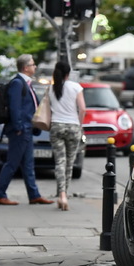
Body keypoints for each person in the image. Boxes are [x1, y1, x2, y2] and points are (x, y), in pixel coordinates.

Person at [0, 54, 54, 206]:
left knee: (28, 164)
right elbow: (15, 107)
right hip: (20, 131)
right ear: (25, 67)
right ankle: (0, 195)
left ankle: (34, 195)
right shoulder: (17, 83)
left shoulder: (26, 83)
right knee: (12, 163)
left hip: (27, 130)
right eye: (33, 64)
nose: (35, 67)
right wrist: (19, 126)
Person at [49, 61, 86, 211]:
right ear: (68, 73)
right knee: (69, 163)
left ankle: (61, 194)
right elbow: (83, 109)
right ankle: (65, 195)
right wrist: (79, 125)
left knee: (59, 162)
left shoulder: (51, 89)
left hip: (56, 126)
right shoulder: (76, 87)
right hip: (73, 127)